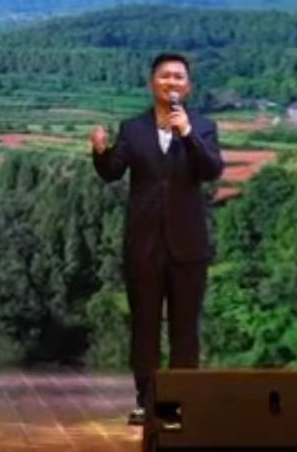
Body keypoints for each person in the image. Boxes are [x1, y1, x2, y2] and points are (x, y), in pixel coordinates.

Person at [90, 52, 224, 426]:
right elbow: (113, 172)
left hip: (188, 244)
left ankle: (179, 403)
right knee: (145, 327)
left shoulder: (203, 127)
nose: (172, 82)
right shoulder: (133, 128)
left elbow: (211, 169)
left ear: (188, 86)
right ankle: (146, 401)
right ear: (153, 83)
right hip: (144, 244)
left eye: (179, 77)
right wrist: (100, 152)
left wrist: (188, 134)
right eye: (165, 76)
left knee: (185, 329)